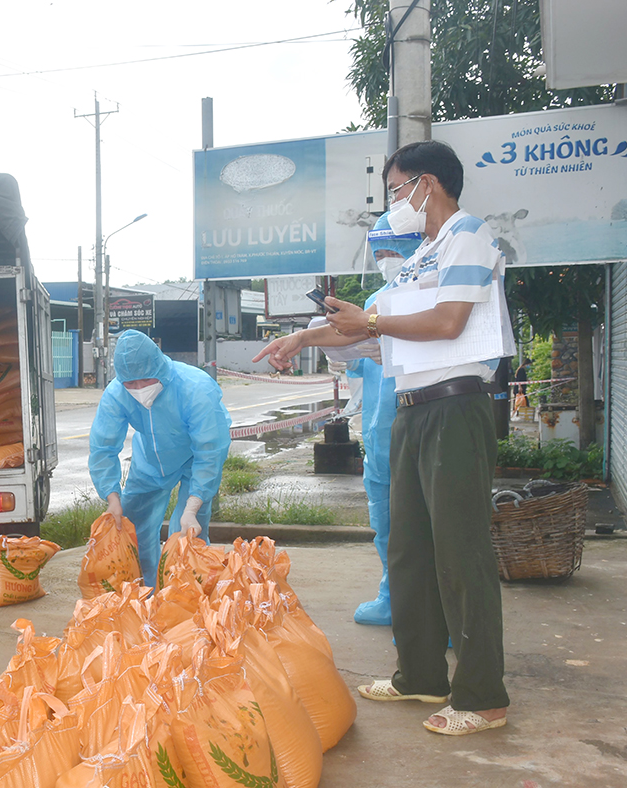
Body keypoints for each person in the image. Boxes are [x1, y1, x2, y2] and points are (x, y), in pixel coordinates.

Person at [253, 140, 510, 737]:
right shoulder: (420, 257)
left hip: (455, 408)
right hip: (414, 410)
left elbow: (448, 323)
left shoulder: (470, 238)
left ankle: (482, 696)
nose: (394, 202)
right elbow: (379, 339)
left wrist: (367, 320)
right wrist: (305, 338)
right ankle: (420, 674)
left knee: (460, 553)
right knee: (409, 548)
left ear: (428, 184)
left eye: (397, 189)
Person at [89, 330, 232, 585]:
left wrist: (192, 507)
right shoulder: (116, 393)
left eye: (145, 380)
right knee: (133, 529)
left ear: (158, 366)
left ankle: (185, 600)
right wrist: (111, 498)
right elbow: (103, 447)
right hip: (151, 459)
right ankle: (145, 596)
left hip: (193, 458)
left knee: (186, 536)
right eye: (130, 384)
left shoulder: (195, 388)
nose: (139, 389)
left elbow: (209, 451)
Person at [346, 215, 421, 627]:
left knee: (423, 527)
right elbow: (357, 364)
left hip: (419, 426)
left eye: (395, 250)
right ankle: (393, 597)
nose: (387, 260)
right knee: (386, 525)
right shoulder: (375, 302)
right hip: (378, 434)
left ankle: (431, 613)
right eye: (381, 253)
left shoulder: (430, 298)